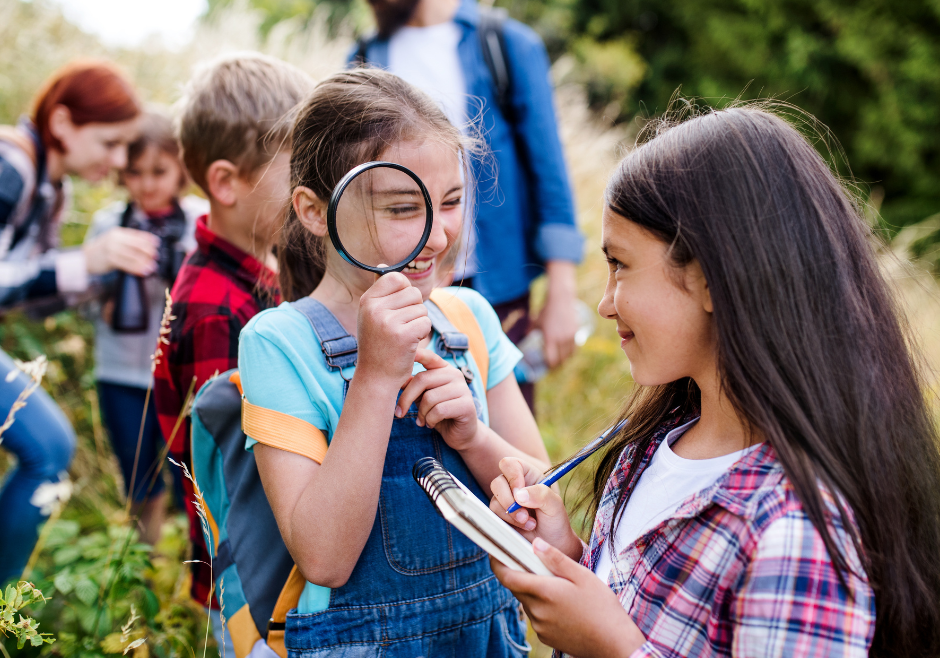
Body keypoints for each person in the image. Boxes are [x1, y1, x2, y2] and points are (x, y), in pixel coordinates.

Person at [488, 106, 940, 657]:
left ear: (707, 279)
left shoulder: (795, 529)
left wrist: (614, 651)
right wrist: (566, 554)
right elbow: (646, 604)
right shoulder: (654, 443)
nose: (605, 303)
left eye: (620, 264)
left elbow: (628, 640)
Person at [238, 68, 549, 656]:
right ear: (311, 210)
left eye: (452, 201)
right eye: (405, 208)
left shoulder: (470, 320)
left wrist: (473, 436)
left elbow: (542, 504)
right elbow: (325, 557)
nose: (437, 235)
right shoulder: (278, 342)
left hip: (488, 638)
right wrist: (376, 379)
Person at [151, 52, 311, 651]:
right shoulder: (214, 309)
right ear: (225, 182)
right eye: (295, 168)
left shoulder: (258, 273)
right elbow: (236, 470)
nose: (309, 188)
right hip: (253, 586)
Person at [354, 0, 585, 410]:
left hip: (499, 286)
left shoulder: (506, 45)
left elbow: (548, 169)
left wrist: (562, 292)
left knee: (503, 425)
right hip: (404, 283)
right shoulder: (366, 58)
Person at [0, 60, 148, 583]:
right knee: (48, 449)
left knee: (50, 448)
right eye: (109, 143)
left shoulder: (49, 186)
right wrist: (84, 261)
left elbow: (25, 298)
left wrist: (98, 281)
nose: (117, 159)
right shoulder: (10, 167)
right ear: (62, 123)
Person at [84, 110, 206, 546]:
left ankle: (196, 577)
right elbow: (83, 299)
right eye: (134, 173)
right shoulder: (109, 225)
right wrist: (110, 296)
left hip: (182, 374)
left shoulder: (198, 222)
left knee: (191, 484)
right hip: (121, 371)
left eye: (159, 171)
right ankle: (142, 569)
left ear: (181, 170)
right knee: (139, 479)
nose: (148, 184)